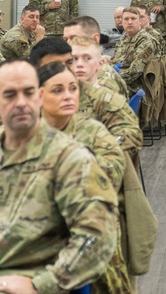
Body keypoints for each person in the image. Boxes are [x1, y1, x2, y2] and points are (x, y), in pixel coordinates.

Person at [0, 59, 118, 294]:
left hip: (29, 279)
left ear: (40, 97)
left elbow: (97, 236)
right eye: (10, 95)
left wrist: (41, 285)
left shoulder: (69, 158)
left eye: (28, 93)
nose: (21, 103)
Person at [36, 60, 132, 294]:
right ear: (38, 95)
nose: (68, 96)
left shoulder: (95, 133)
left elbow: (107, 176)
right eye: (58, 90)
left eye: (73, 88)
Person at [32, 36, 143, 166]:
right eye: (54, 66)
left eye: (68, 63)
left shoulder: (102, 97)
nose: (64, 70)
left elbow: (130, 135)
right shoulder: (24, 101)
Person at [63, 16, 129, 97]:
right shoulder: (83, 68)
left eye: (74, 38)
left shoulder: (103, 81)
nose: (68, 43)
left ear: (95, 38)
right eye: (66, 39)